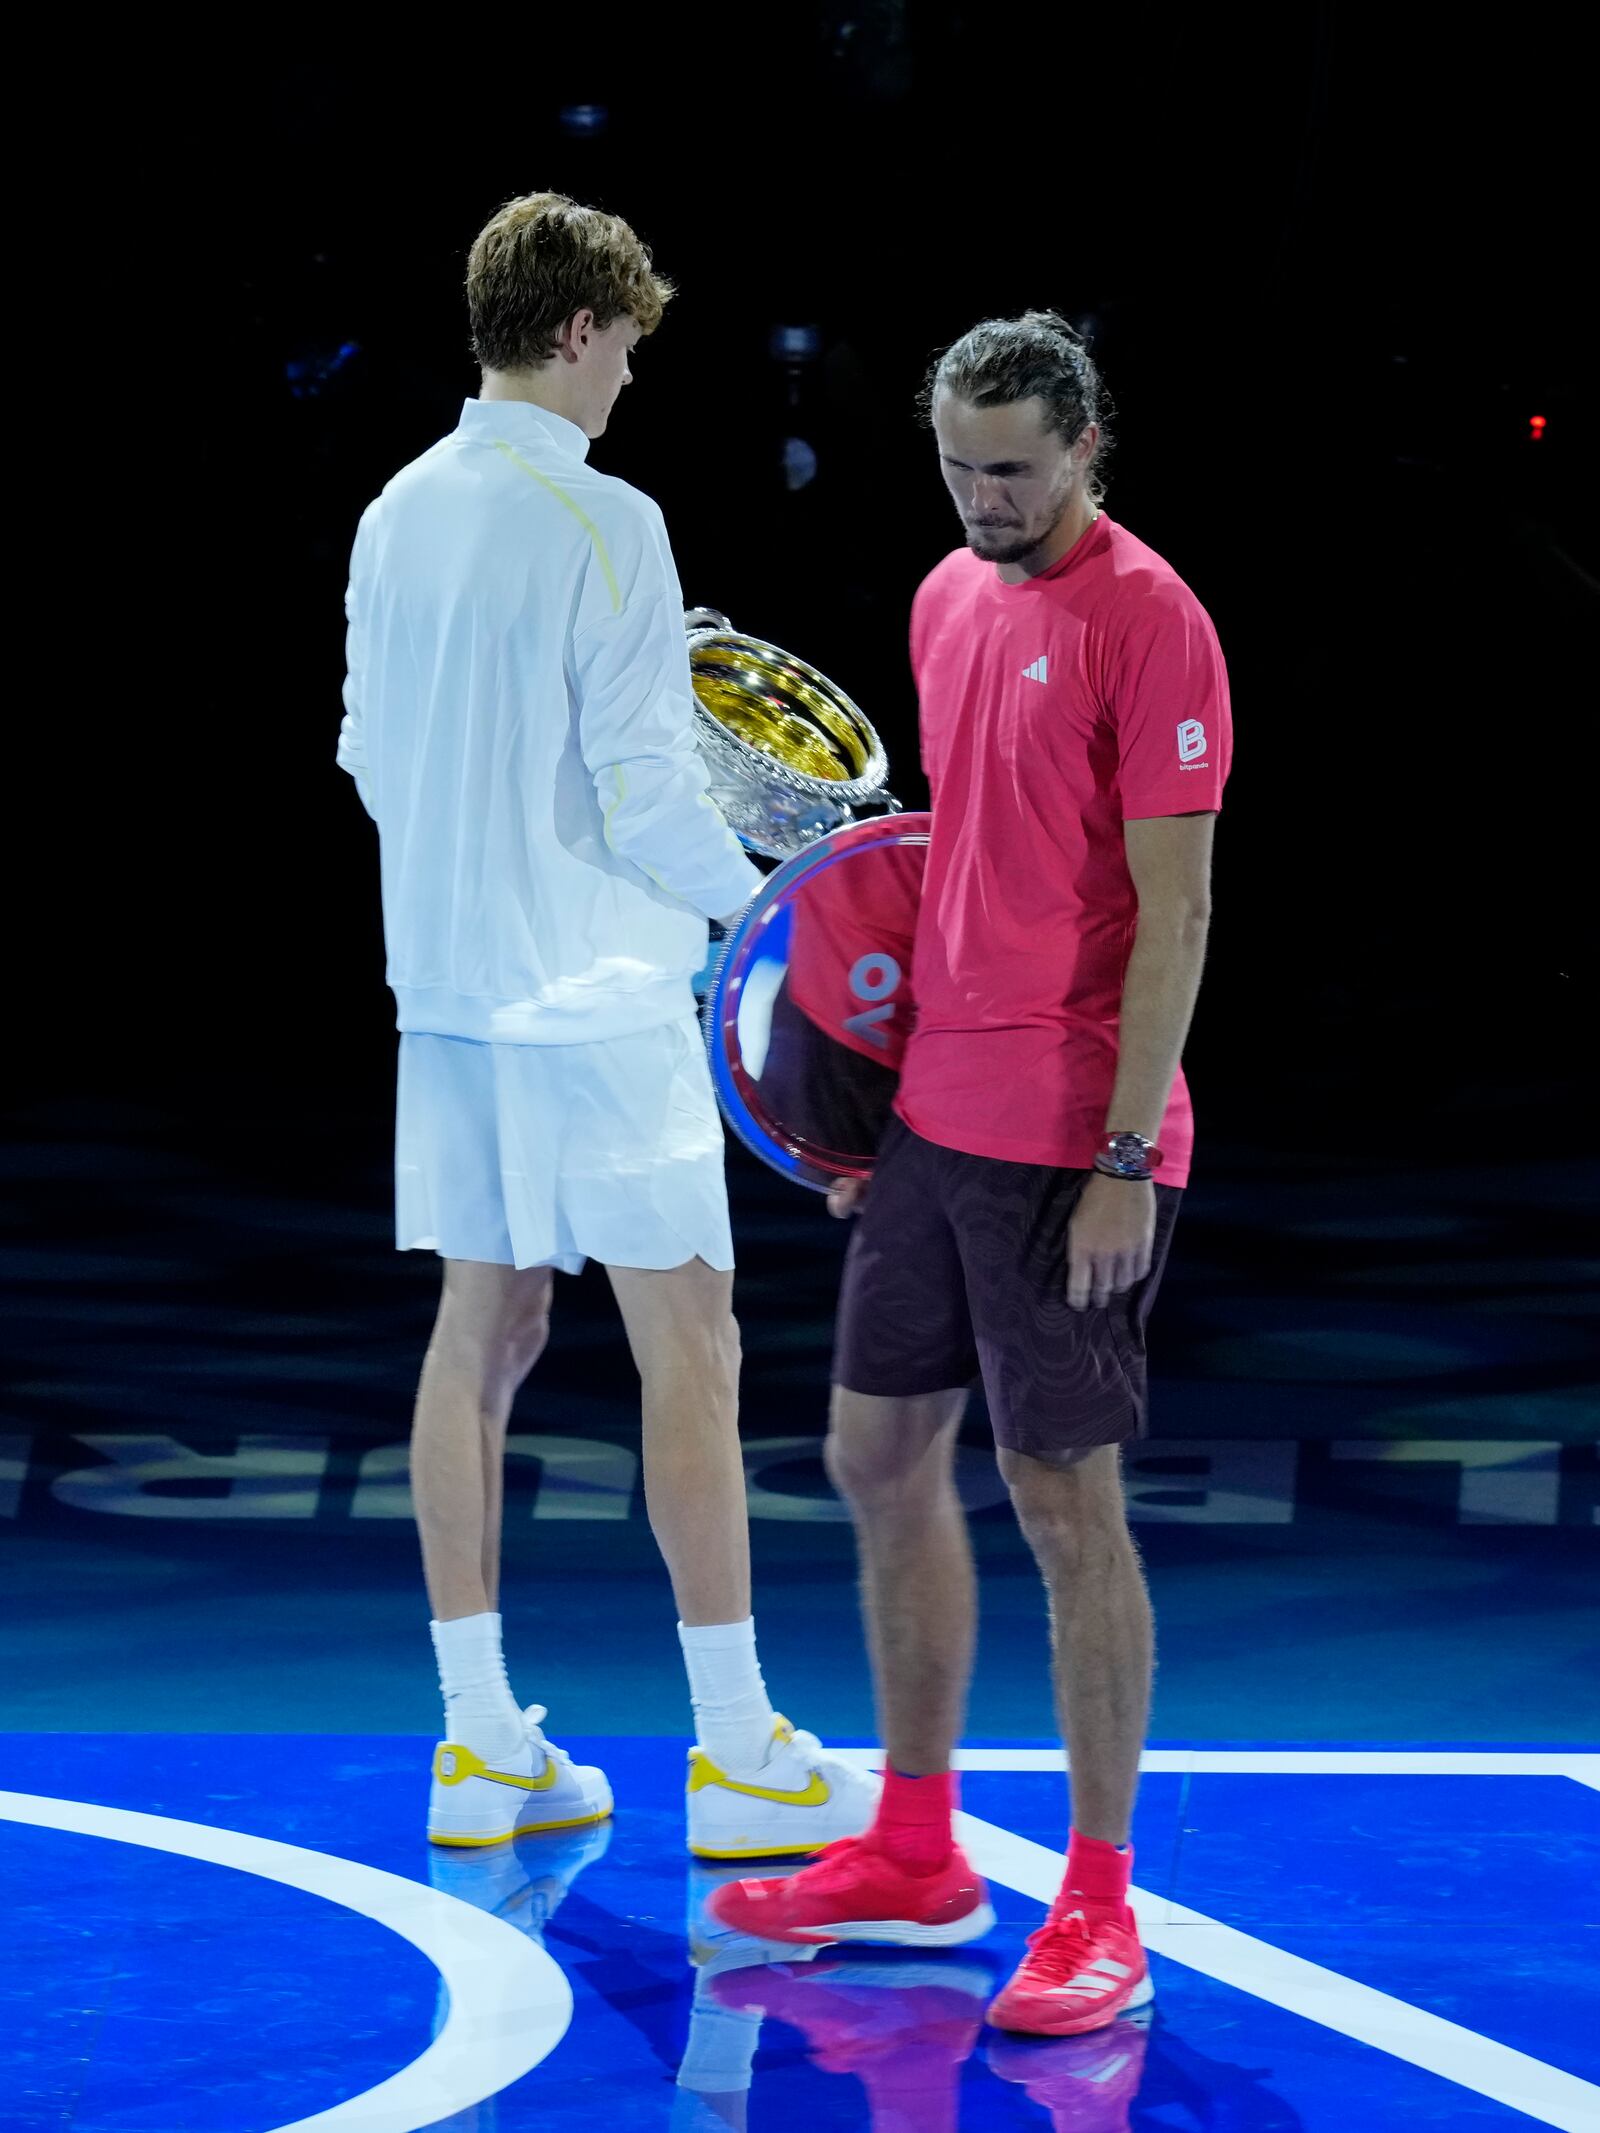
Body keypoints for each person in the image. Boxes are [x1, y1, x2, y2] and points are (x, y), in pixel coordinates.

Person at [337, 189, 877, 1857]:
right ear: (578, 331)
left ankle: (480, 1741)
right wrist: (776, 908)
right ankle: (737, 1754)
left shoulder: (391, 512)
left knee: (474, 1346)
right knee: (692, 1354)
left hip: (449, 1005)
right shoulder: (611, 524)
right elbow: (649, 799)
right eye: (628, 347)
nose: (631, 379)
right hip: (599, 1005)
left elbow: (365, 751)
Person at [710, 312, 1232, 2036]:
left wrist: (1115, 1158)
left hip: (1072, 1133)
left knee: (1068, 1502)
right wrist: (864, 1115)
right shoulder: (946, 599)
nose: (984, 498)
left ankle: (1099, 1904)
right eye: (958, 466)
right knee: (875, 1451)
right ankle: (919, 1851)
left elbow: (1176, 910)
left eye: (1014, 468)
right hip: (935, 1119)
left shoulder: (1153, 623)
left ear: (1089, 447)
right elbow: (940, 872)